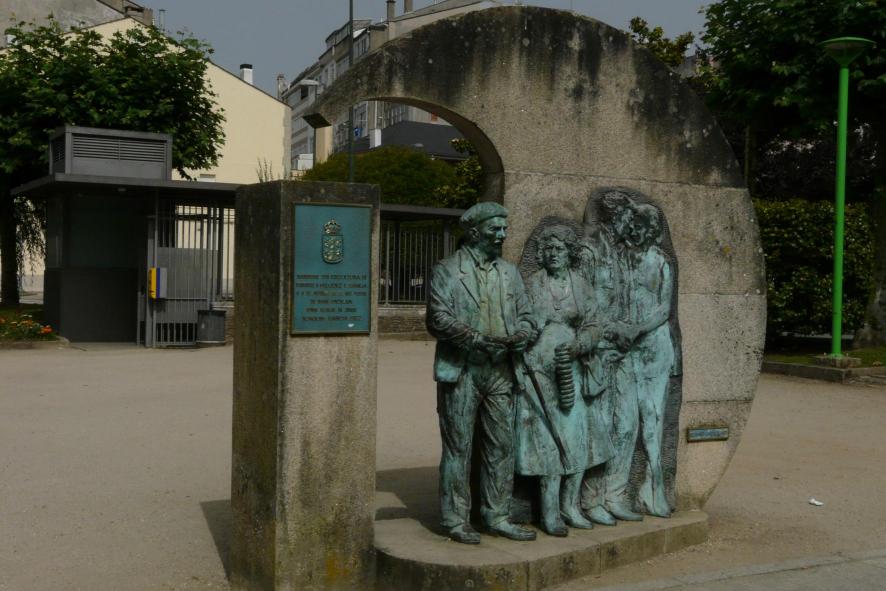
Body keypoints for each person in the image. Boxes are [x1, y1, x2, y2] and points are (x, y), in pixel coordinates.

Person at [426, 202, 537, 544]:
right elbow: (438, 319)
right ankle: (455, 519)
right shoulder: (447, 270)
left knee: (502, 446)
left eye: (504, 228)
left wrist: (522, 334)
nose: (503, 235)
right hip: (463, 370)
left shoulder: (510, 273)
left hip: (501, 370)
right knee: (458, 448)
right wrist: (476, 339)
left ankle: (497, 515)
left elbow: (527, 315)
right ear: (474, 233)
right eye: (495, 229)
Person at [517, 224, 596, 536]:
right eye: (548, 249)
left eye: (559, 249)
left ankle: (571, 505)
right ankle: (549, 511)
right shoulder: (531, 284)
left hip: (571, 368)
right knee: (547, 441)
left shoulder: (581, 285)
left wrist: (579, 345)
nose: (553, 254)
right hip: (538, 370)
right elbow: (519, 321)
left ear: (569, 253)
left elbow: (595, 325)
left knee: (576, 438)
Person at [620, 203, 676, 517]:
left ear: (651, 230)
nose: (633, 230)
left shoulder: (661, 262)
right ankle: (618, 492)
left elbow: (664, 310)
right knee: (625, 421)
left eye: (639, 225)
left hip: (654, 349)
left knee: (652, 420)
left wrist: (635, 330)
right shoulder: (623, 259)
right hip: (628, 349)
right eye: (631, 224)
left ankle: (654, 489)